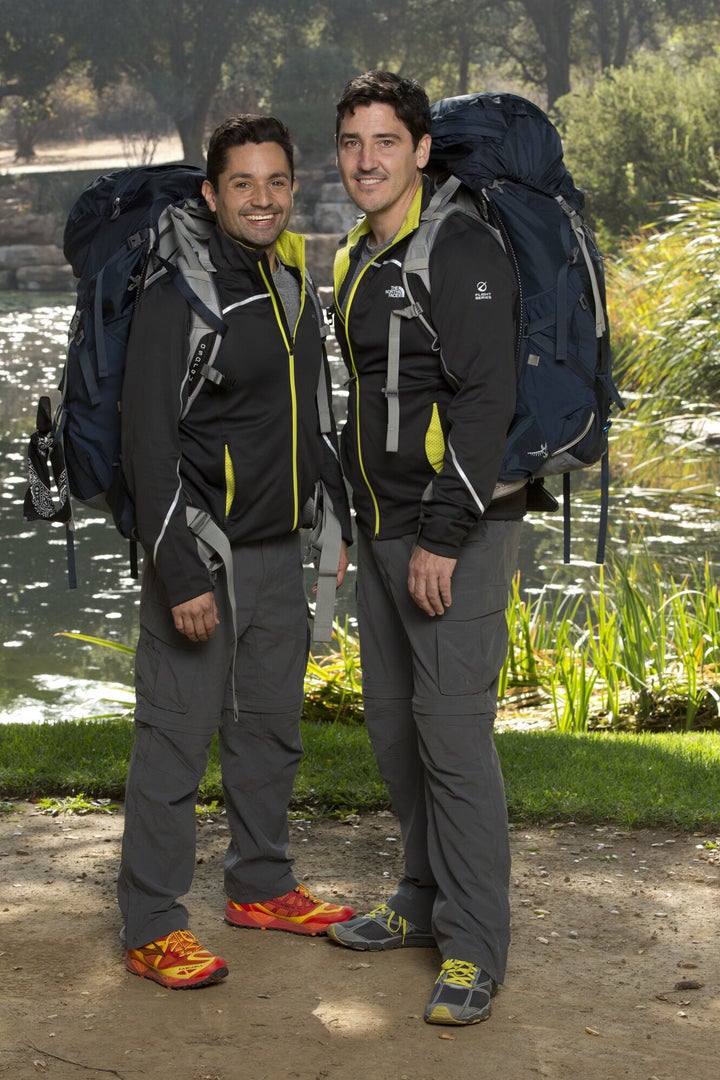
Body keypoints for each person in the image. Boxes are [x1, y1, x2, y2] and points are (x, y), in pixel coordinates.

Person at [117, 114, 355, 990]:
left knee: (269, 735)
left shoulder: (283, 277)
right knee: (175, 745)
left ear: (293, 187)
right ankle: (151, 924)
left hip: (275, 554)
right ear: (212, 193)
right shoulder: (180, 292)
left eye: (277, 182)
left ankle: (260, 885)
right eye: (243, 185)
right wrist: (178, 569)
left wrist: (333, 509)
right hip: (201, 558)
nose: (263, 199)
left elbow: (293, 421)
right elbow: (148, 443)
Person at [326, 71, 525, 1026]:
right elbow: (364, 405)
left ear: (420, 150)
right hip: (378, 531)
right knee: (397, 736)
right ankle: (420, 896)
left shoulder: (461, 247)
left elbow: (486, 403)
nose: (366, 160)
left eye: (384, 143)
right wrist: (346, 528)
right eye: (352, 143)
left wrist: (443, 537)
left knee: (451, 740)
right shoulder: (354, 258)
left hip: (456, 533)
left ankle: (475, 944)